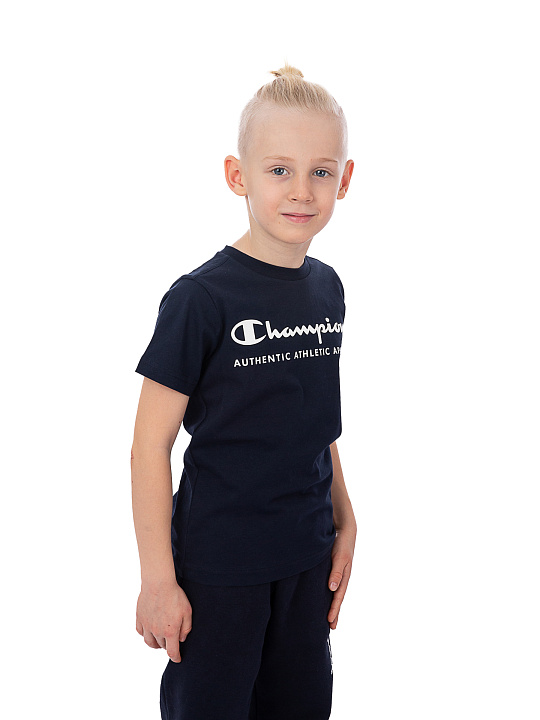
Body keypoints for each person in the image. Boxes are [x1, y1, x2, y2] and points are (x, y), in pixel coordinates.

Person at [131, 62, 357, 720]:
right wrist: (157, 579)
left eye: (321, 172)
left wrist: (346, 520)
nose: (302, 190)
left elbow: (317, 424)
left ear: (345, 180)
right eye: (279, 169)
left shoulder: (328, 288)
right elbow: (149, 446)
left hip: (307, 560)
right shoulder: (200, 300)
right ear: (238, 176)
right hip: (220, 570)